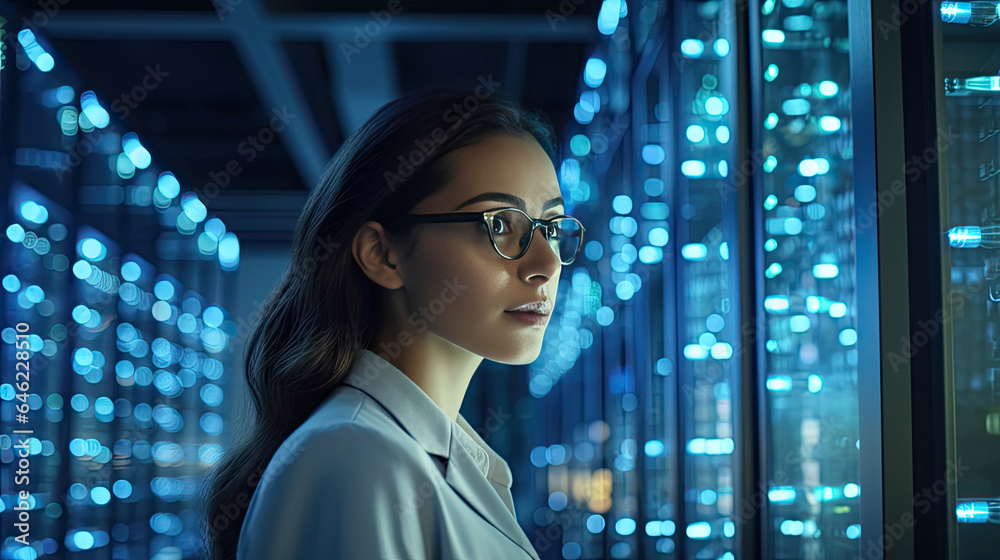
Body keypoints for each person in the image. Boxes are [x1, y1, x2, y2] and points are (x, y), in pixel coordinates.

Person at [201, 87, 586, 559]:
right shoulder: (356, 459)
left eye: (551, 225)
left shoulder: (419, 454)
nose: (546, 264)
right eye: (500, 224)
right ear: (383, 255)